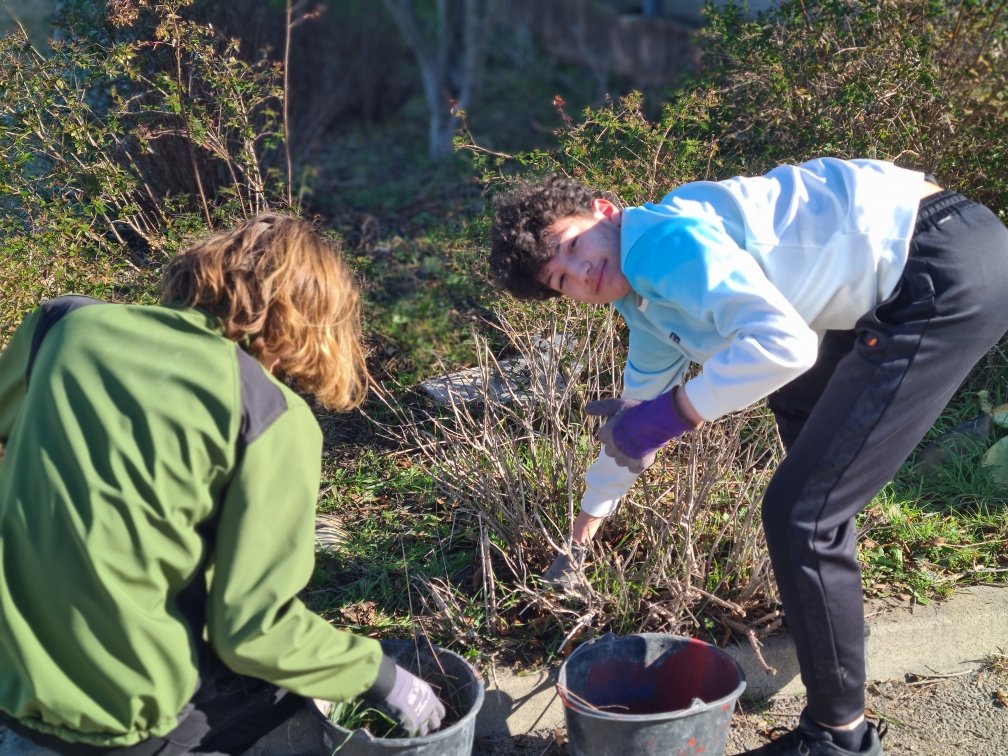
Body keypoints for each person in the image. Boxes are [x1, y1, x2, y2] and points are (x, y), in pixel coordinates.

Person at [488, 158, 1008, 756]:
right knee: (800, 420)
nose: (583, 272)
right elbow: (631, 432)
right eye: (563, 280)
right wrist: (581, 536)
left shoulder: (659, 242)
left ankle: (837, 738)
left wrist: (674, 413)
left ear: (604, 212)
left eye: (574, 245)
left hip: (933, 264)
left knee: (801, 513)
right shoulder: (646, 306)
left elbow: (783, 346)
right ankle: (832, 619)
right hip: (939, 252)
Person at [0, 213, 445, 754]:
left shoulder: (64, 325)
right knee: (286, 686)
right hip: (124, 717)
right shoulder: (266, 412)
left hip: (12, 678)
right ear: (304, 324)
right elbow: (252, 633)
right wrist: (384, 677)